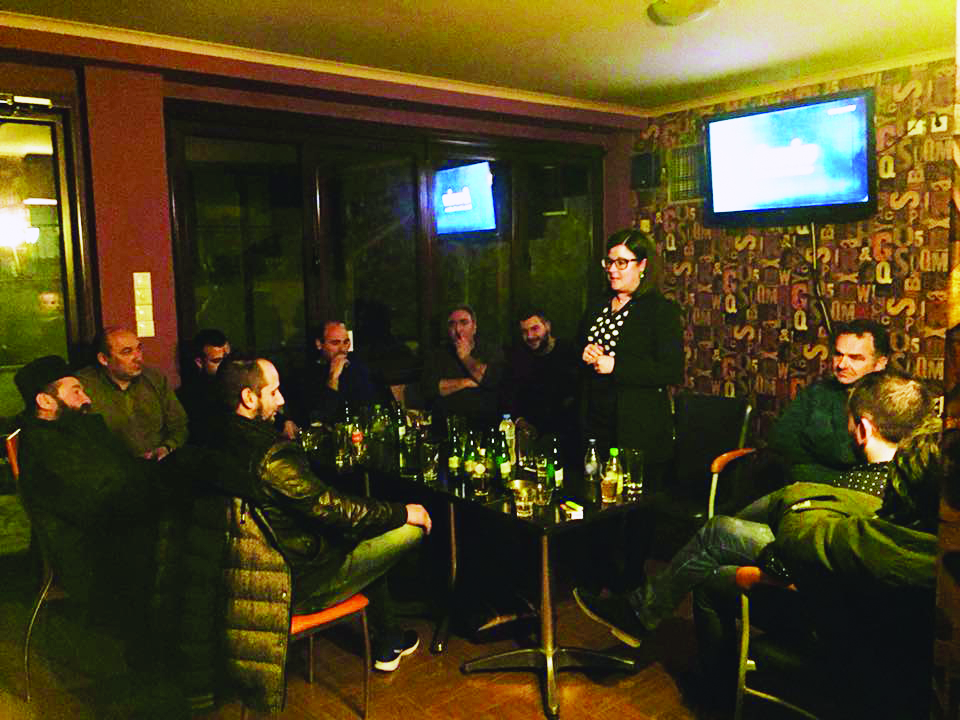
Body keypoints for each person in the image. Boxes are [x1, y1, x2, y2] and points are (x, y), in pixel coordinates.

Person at [573, 370, 937, 650]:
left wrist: (758, 567)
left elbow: (804, 557)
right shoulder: (918, 479)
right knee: (726, 534)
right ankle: (646, 614)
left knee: (719, 536)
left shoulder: (862, 490)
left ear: (863, 429)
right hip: (857, 598)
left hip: (824, 600)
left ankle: (643, 618)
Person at [205, 352, 432, 671]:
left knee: (363, 526)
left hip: (244, 581)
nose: (281, 400)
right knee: (405, 528)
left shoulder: (210, 437)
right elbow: (331, 508)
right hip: (293, 585)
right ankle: (390, 637)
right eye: (273, 392)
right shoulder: (270, 458)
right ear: (248, 398)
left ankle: (389, 637)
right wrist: (404, 513)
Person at [13, 355, 166, 646]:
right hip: (88, 549)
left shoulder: (79, 428)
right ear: (45, 401)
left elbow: (122, 473)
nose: (87, 399)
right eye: (75, 391)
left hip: (115, 521)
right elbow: (95, 499)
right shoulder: (45, 446)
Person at [579, 228, 683, 487]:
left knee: (632, 501)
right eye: (609, 262)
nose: (613, 270)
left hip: (636, 425)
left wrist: (617, 366)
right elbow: (576, 347)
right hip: (595, 419)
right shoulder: (598, 304)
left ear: (642, 265)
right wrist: (585, 352)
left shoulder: (660, 311)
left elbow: (671, 370)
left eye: (622, 263)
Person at [765, 318, 889, 484]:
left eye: (855, 358)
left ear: (880, 363)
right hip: (808, 484)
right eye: (838, 354)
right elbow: (780, 441)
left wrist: (815, 446)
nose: (842, 365)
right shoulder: (816, 392)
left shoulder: (894, 400)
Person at [77, 327, 188, 459]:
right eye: (127, 352)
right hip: (112, 466)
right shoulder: (83, 387)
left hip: (159, 462)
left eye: (139, 349)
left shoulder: (154, 378)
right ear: (104, 359)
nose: (138, 358)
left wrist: (167, 447)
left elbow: (179, 424)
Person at [421, 304, 504, 430]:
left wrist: (465, 357)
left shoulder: (490, 351)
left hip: (484, 425)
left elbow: (491, 380)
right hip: (446, 426)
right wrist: (467, 382)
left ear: (474, 327)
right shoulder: (437, 355)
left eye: (464, 323)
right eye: (452, 324)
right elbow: (430, 388)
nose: (458, 329)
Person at [500, 308, 578, 440]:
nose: (530, 336)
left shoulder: (568, 351)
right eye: (524, 331)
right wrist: (520, 422)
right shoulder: (519, 357)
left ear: (547, 326)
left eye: (535, 329)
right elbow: (508, 396)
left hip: (566, 431)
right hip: (530, 433)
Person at [296, 320, 377, 425]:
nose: (342, 349)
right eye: (335, 343)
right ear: (319, 344)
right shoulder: (306, 374)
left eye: (346, 342)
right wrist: (333, 378)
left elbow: (369, 406)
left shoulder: (357, 365)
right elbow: (319, 418)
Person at [177, 328, 230, 445]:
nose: (226, 365)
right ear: (199, 362)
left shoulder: (237, 382)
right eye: (217, 361)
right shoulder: (191, 396)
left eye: (227, 358)